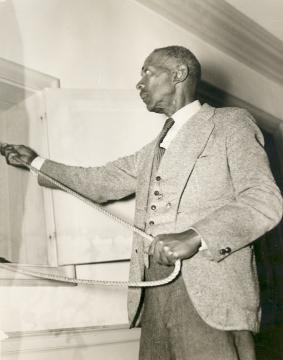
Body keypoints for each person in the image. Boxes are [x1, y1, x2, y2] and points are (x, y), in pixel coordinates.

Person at [1, 45, 282, 360]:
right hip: (152, 291)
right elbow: (98, 182)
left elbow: (264, 199)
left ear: (179, 74)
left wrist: (195, 236)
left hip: (210, 297)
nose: (140, 83)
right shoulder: (151, 152)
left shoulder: (230, 124)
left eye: (148, 72)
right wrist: (35, 162)